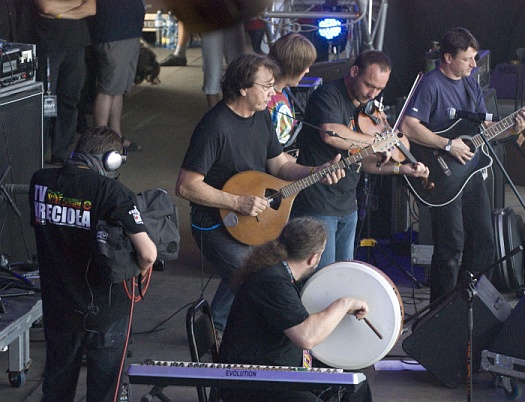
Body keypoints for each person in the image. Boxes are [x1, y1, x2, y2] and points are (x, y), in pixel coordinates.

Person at [175, 53, 345, 339]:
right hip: (215, 222)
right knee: (256, 277)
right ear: (243, 87)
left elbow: (280, 166)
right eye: (266, 86)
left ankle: (216, 325)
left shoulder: (262, 117)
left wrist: (317, 170)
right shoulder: (214, 126)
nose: (272, 92)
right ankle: (251, 337)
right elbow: (186, 186)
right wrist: (237, 202)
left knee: (255, 272)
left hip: (252, 217)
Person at [399, 27, 525, 303]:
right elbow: (409, 126)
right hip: (442, 175)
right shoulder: (431, 84)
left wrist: (512, 128)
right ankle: (440, 308)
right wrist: (447, 145)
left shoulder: (470, 83)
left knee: (484, 242)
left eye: (474, 58)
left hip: (470, 174)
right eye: (467, 59)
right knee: (451, 246)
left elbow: (481, 127)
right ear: (447, 57)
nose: (474, 64)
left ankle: (462, 301)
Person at [29, 126, 157, 401]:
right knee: (104, 391)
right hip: (105, 311)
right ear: (110, 160)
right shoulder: (113, 192)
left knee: (56, 388)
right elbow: (148, 253)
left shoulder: (40, 182)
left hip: (59, 307)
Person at [292, 50, 429, 270]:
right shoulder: (328, 96)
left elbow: (364, 162)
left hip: (348, 205)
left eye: (379, 89)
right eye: (369, 85)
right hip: (318, 204)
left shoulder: (368, 110)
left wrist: (401, 169)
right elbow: (331, 133)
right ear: (354, 71)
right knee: (322, 278)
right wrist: (376, 141)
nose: (373, 94)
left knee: (344, 275)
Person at [218, 216, 372, 402]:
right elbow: (306, 337)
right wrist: (344, 304)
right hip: (255, 381)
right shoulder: (272, 281)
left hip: (278, 368)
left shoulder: (279, 273)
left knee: (356, 383)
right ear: (313, 258)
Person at [31, 0, 96, 165]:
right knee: (46, 104)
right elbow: (46, 7)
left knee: (70, 100)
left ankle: (61, 153)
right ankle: (37, 153)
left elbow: (91, 8)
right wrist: (76, 4)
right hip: (48, 44)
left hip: (76, 44)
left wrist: (59, 13)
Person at [89, 0, 144, 151]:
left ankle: (115, 137)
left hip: (129, 29)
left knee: (118, 89)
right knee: (108, 89)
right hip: (113, 30)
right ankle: (100, 142)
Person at [267, 32, 317, 149]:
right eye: (306, 66)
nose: (308, 71)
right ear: (294, 66)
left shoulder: (286, 90)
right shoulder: (265, 98)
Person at [201, 23, 247, 108]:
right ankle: (213, 115)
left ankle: (237, 112)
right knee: (212, 69)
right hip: (211, 17)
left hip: (234, 16)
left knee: (239, 68)